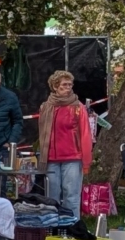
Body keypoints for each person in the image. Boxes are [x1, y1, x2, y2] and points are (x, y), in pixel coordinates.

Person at [37, 70, 95, 220]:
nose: (68, 87)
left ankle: (73, 228)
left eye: (70, 84)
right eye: (64, 85)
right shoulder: (45, 107)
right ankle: (51, 229)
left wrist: (86, 161)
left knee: (71, 196)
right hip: (50, 158)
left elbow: (85, 135)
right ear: (55, 87)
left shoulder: (78, 107)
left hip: (73, 157)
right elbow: (41, 133)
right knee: (51, 197)